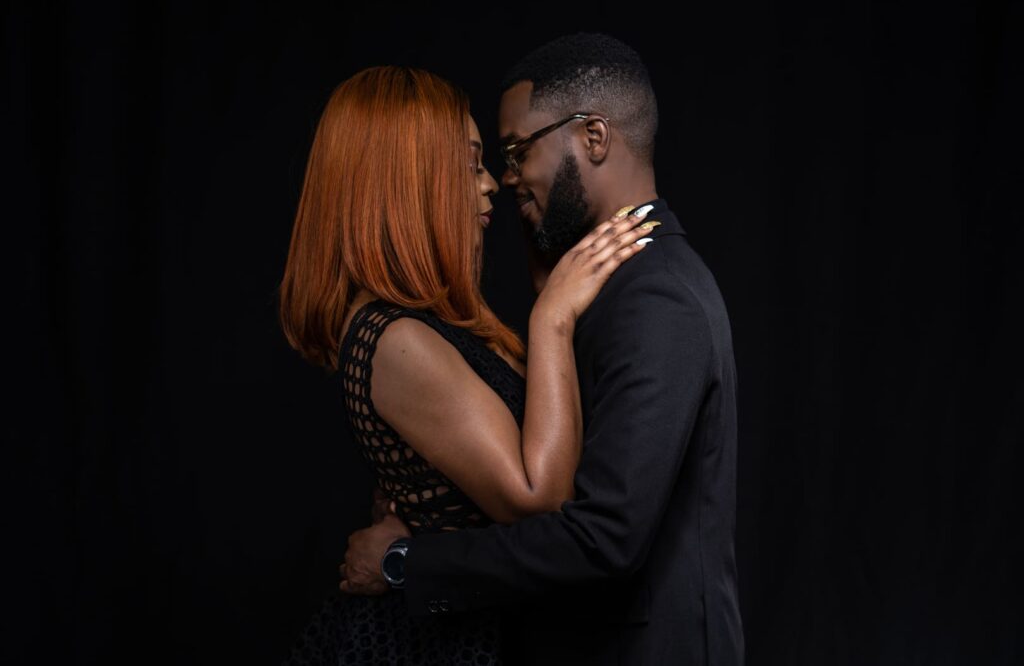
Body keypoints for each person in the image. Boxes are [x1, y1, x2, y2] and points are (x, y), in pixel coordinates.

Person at [339, 34, 745, 665]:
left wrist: (404, 562)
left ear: (593, 138)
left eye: (515, 151)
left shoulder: (655, 297)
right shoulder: (603, 284)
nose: (504, 180)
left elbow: (602, 540)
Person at [278, 66, 655, 665]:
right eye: (470, 163)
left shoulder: (429, 323)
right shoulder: (398, 337)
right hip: (441, 646)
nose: (488, 185)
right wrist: (552, 317)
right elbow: (540, 498)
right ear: (409, 181)